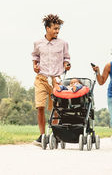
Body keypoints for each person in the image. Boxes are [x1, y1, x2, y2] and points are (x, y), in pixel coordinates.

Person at [32, 14, 71, 145]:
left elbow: (66, 58)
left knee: (57, 108)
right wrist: (34, 65)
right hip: (42, 78)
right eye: (55, 28)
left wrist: (66, 64)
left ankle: (55, 133)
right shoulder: (38, 43)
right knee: (40, 106)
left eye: (58, 29)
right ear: (47, 28)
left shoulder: (63, 44)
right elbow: (35, 56)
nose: (57, 31)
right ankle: (42, 136)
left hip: (56, 80)